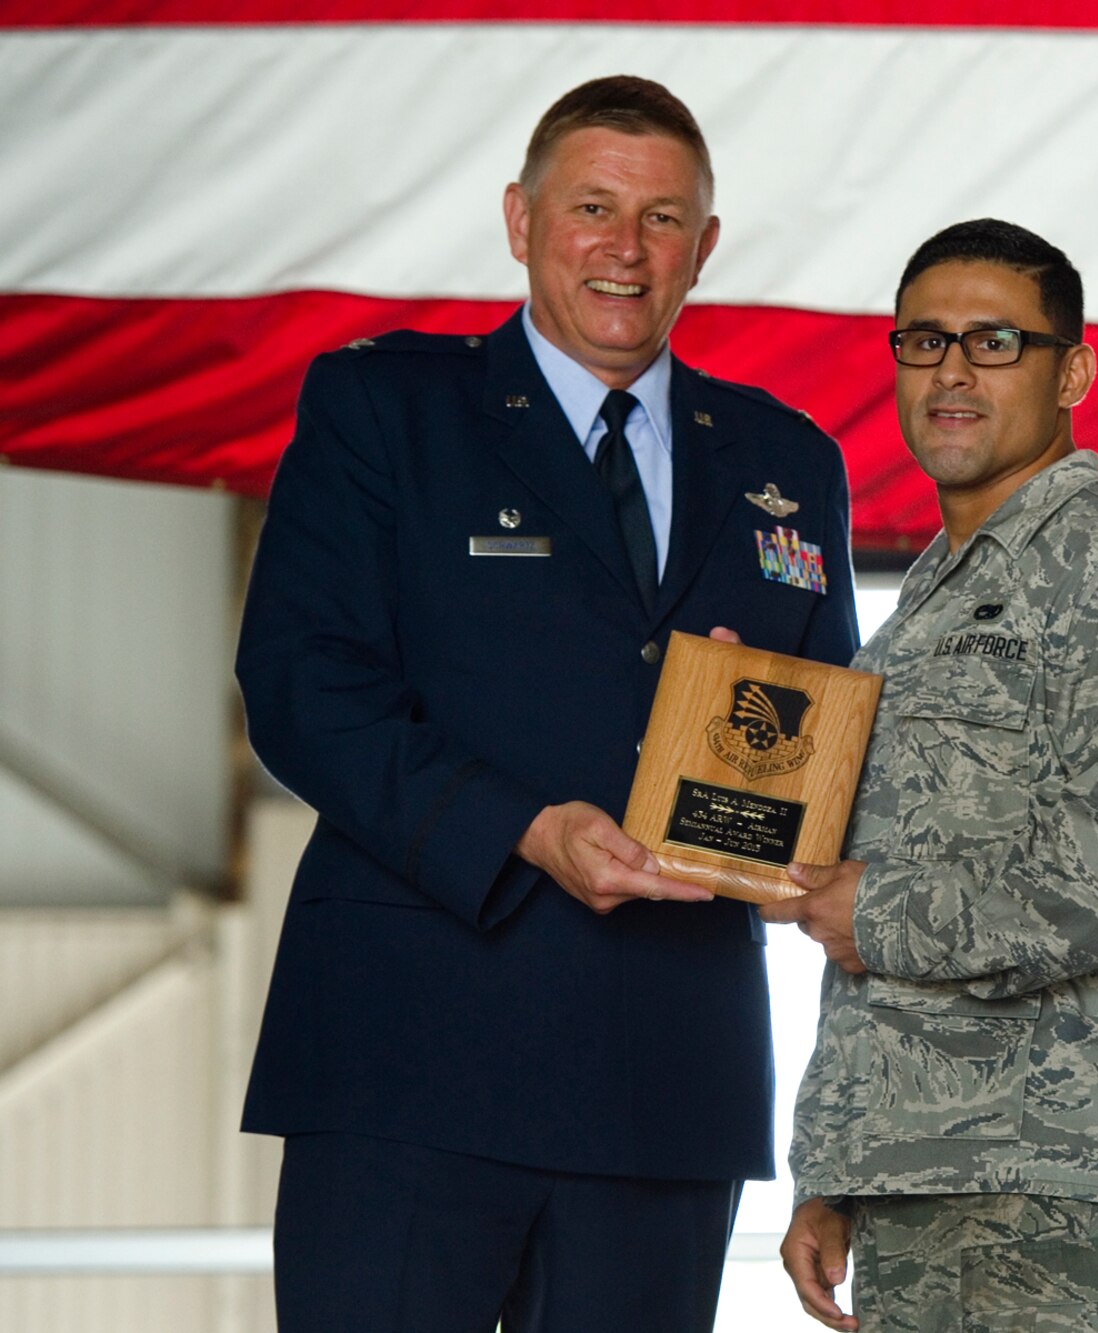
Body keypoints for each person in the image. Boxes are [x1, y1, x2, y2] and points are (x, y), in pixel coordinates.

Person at [235, 75, 859, 1332]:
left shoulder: (789, 459)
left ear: (706, 247)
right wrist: (523, 828)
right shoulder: (387, 409)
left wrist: (761, 730)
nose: (625, 251)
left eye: (663, 219)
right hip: (413, 1063)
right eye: (591, 208)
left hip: (665, 1080)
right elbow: (304, 688)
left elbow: (827, 759)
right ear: (520, 220)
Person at [763, 219, 1098, 1332]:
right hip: (913, 1178)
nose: (950, 371)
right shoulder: (930, 600)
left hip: (1049, 1183)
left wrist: (881, 915)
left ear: (1070, 368)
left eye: (994, 342)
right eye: (923, 341)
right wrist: (834, 1165)